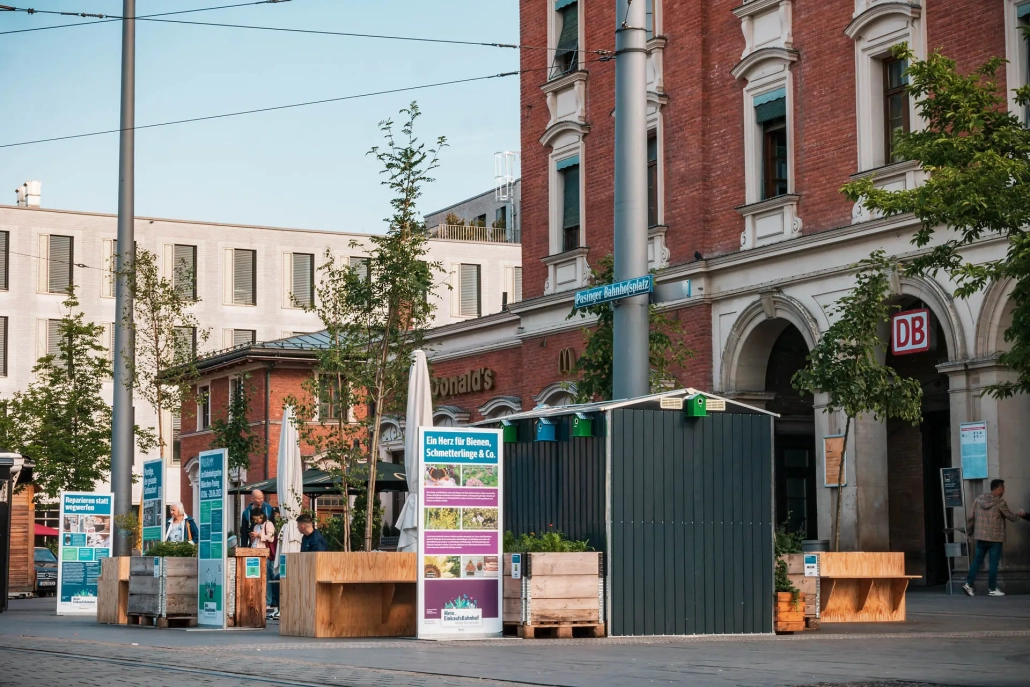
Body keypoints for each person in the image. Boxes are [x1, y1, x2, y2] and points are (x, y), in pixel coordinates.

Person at [963, 479, 1027, 597]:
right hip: (995, 538)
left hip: (981, 536)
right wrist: (1020, 514)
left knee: (977, 561)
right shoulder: (999, 502)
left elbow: (970, 517)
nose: (1003, 491)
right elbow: (1011, 516)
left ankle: (968, 584)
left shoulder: (978, 500)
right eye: (1002, 488)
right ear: (998, 489)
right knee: (993, 563)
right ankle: (992, 589)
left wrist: (970, 532)